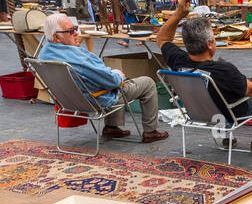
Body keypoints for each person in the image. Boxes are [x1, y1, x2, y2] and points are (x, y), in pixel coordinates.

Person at [156, 0, 252, 154]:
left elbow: (162, 38)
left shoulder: (178, 59)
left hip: (196, 112)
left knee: (226, 92)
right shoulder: (222, 70)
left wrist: (179, 13)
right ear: (209, 44)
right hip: (229, 113)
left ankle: (225, 136)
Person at [38, 11, 168, 143]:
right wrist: (118, 75)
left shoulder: (42, 55)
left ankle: (112, 128)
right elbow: (112, 81)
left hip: (67, 101)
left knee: (109, 77)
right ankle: (151, 131)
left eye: (75, 28)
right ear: (57, 37)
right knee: (147, 82)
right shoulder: (80, 59)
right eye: (70, 31)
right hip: (95, 100)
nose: (76, 32)